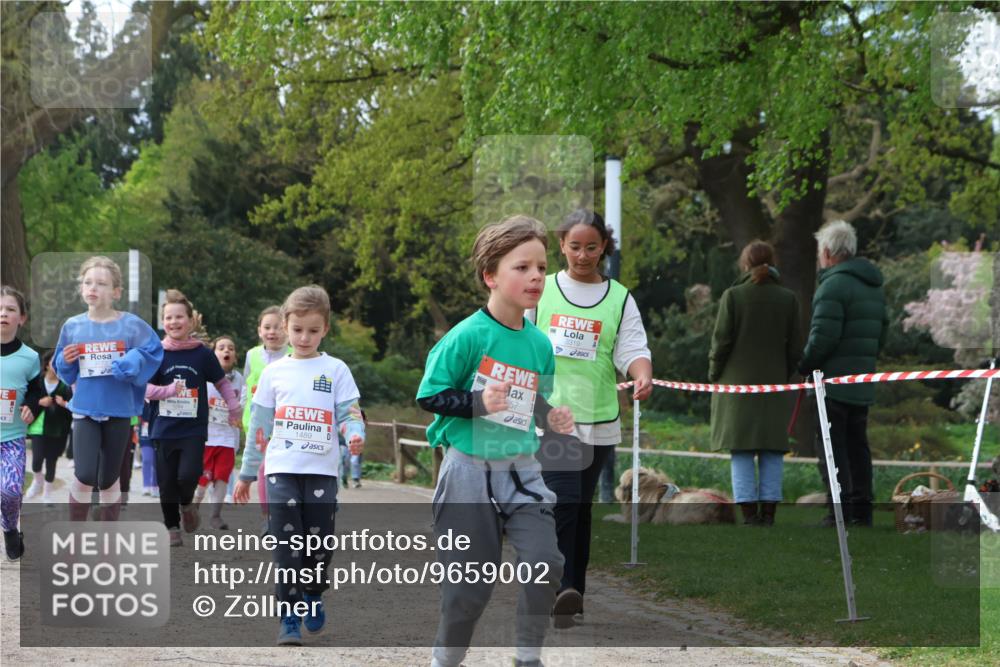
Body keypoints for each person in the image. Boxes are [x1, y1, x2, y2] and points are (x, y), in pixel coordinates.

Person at [417, 215, 573, 667]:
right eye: (522, 267)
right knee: (468, 591)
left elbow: (528, 402)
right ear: (491, 275)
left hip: (521, 469)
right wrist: (478, 402)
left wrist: (551, 415)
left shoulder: (541, 345)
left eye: (542, 268)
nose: (536, 277)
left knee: (545, 563)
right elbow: (429, 396)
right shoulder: (467, 336)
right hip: (468, 472)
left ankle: (527, 658)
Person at [529, 208, 652, 627]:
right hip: (552, 414)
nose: (583, 255)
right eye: (575, 246)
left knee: (580, 508)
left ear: (604, 248)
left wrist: (642, 375)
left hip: (600, 416)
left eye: (592, 247)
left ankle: (572, 592)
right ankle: (561, 585)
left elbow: (632, 348)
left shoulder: (619, 297)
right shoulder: (540, 290)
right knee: (563, 500)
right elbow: (518, 338)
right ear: (561, 245)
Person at [235, 285, 365, 646]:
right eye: (297, 330)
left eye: (312, 330)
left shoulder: (336, 370)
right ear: (285, 326)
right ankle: (288, 617)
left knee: (319, 543)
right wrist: (247, 474)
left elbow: (349, 413)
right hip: (280, 470)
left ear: (325, 329)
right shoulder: (275, 374)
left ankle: (313, 593)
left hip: (322, 472)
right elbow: (260, 430)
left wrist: (354, 433)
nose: (303, 337)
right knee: (286, 543)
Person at [55, 256, 164, 522]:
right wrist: (65, 360)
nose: (93, 287)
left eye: (101, 283)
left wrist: (132, 360)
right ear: (81, 288)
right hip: (86, 409)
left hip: (120, 409)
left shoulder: (131, 325)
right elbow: (63, 369)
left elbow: (153, 351)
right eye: (88, 282)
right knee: (85, 474)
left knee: (108, 478)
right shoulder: (73, 325)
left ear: (116, 292)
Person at [798, 220, 888, 527]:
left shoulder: (832, 286)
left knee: (832, 451)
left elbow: (822, 337)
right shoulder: (873, 287)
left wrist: (804, 365)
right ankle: (863, 511)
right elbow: (882, 335)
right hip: (862, 381)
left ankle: (839, 511)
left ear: (826, 252)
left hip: (832, 385)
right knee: (858, 448)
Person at [708, 241, 802, 526]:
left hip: (737, 386)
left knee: (742, 449)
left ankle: (749, 515)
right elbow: (795, 347)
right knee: (772, 448)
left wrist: (714, 372)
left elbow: (721, 341)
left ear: (744, 264)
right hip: (774, 385)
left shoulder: (733, 296)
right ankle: (769, 515)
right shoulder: (789, 299)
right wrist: (785, 375)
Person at [145, 290, 241, 546]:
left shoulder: (202, 354)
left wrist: (233, 406)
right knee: (166, 482)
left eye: (179, 317)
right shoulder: (156, 352)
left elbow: (221, 381)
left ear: (190, 321)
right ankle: (172, 527)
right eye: (168, 318)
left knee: (188, 475)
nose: (174, 322)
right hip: (163, 428)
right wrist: (167, 391)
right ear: (163, 322)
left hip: (193, 428)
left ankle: (187, 504)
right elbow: (144, 388)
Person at [1, 285, 43, 560]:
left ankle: (9, 527)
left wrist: (31, 408)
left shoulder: (29, 358)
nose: (3, 313)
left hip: (12, 437)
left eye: (10, 309)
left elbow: (38, 393)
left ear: (22, 318)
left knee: (11, 491)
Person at [241, 306, 291, 527]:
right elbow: (245, 385)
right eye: (267, 327)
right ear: (259, 330)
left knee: (276, 470)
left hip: (284, 422)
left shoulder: (293, 355)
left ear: (288, 330)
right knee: (263, 469)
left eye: (279, 327)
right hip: (255, 421)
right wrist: (239, 409)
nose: (273, 332)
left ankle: (281, 513)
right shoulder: (252, 355)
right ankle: (268, 517)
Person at [194, 335, 244, 529]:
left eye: (230, 348)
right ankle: (193, 508)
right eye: (221, 347)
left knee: (223, 477)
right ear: (213, 354)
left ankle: (215, 515)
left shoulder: (239, 379)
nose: (226, 351)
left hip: (228, 438)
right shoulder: (205, 377)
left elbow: (244, 402)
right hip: (207, 437)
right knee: (203, 479)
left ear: (235, 356)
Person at [25, 350, 74, 505]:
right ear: (47, 364)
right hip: (38, 427)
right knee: (37, 460)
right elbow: (26, 401)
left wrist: (64, 404)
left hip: (58, 429)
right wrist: (39, 402)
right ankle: (38, 480)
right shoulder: (37, 382)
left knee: (52, 461)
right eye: (55, 361)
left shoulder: (66, 385)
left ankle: (47, 494)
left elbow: (74, 407)